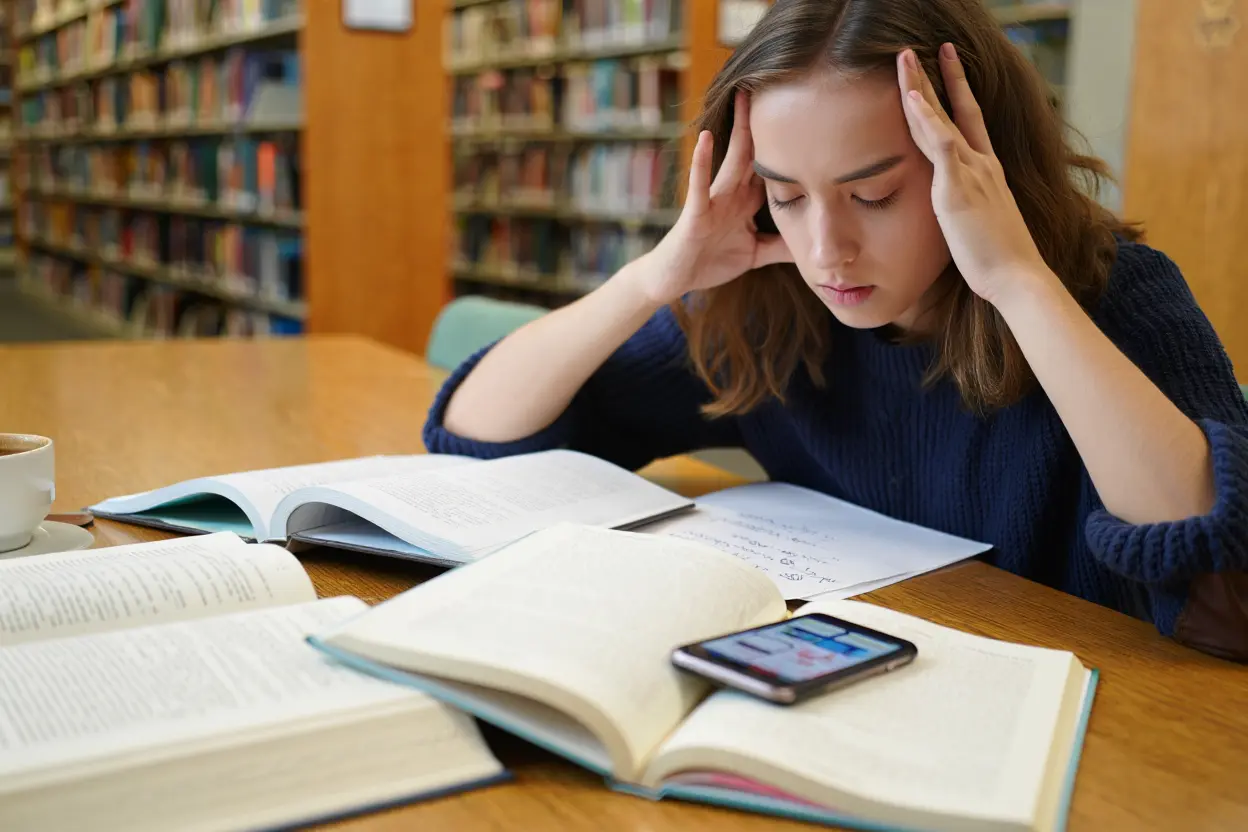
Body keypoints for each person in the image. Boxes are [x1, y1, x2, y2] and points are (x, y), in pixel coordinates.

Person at [426, 0, 1247, 660]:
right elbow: (475, 434)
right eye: (784, 195)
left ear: (978, 163)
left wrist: (1018, 282)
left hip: (1100, 725)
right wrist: (654, 278)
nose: (826, 250)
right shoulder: (775, 300)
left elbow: (1220, 565)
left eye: (874, 195)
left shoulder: (1113, 293)